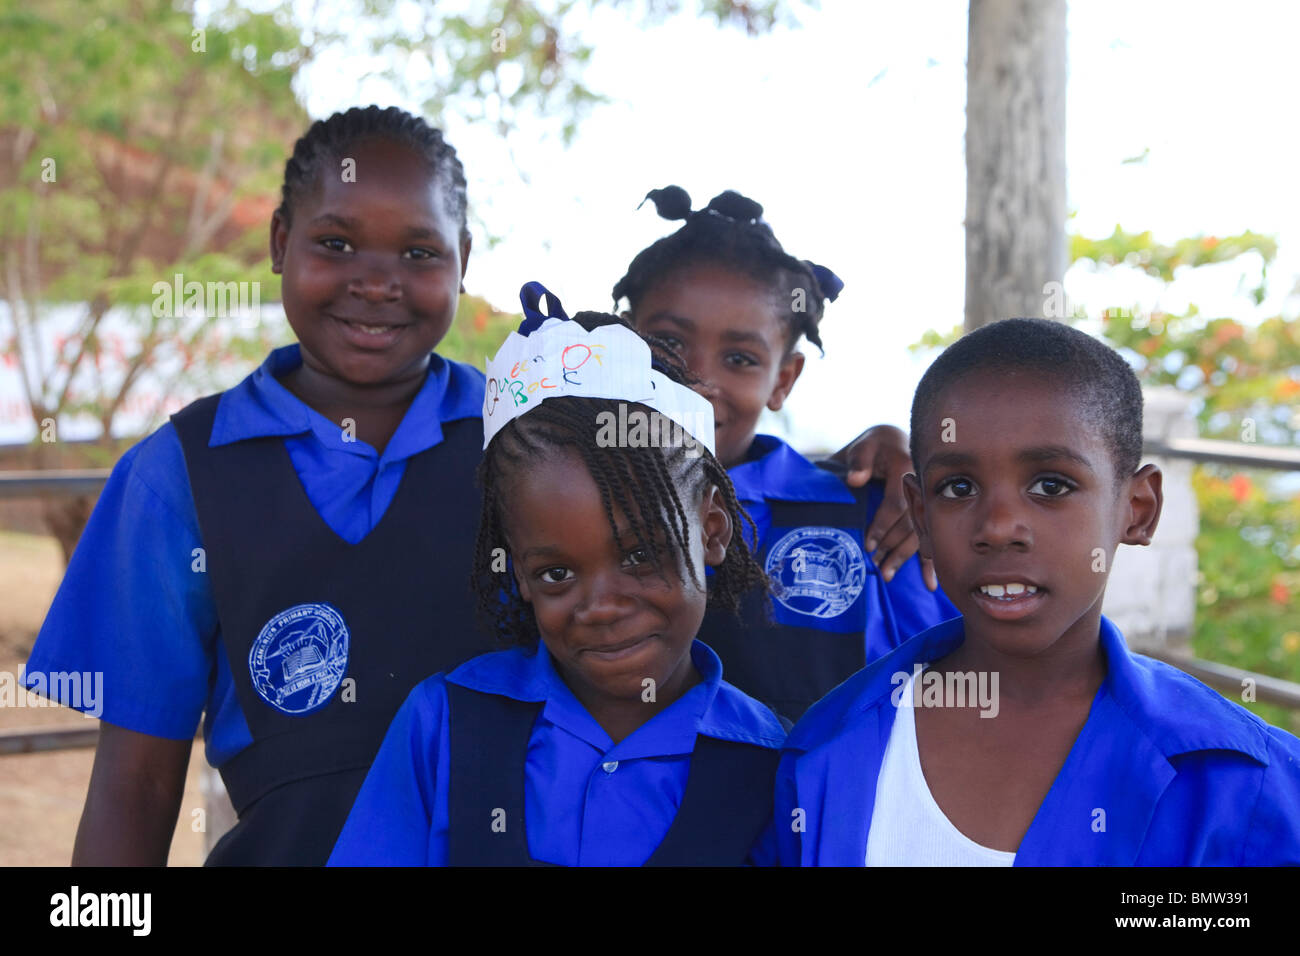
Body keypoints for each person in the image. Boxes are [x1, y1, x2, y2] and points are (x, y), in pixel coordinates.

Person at [21, 106, 495, 865]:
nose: (376, 283)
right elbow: (132, 788)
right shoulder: (176, 477)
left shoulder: (527, 444)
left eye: (418, 251)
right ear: (281, 243)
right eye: (336, 243)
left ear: (463, 259)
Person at [775, 317, 1300, 865]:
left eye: (1051, 486)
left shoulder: (1246, 781)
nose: (998, 525)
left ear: (1137, 510)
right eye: (958, 487)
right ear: (920, 515)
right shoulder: (824, 753)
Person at [328, 302, 785, 866]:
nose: (602, 606)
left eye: (641, 555)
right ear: (518, 571)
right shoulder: (448, 723)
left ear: (711, 531)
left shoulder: (773, 763)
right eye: (557, 573)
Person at [614, 186, 956, 720]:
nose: (698, 382)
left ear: (784, 379)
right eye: (671, 344)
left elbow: (938, 706)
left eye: (740, 358)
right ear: (623, 341)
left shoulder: (869, 520)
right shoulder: (562, 499)